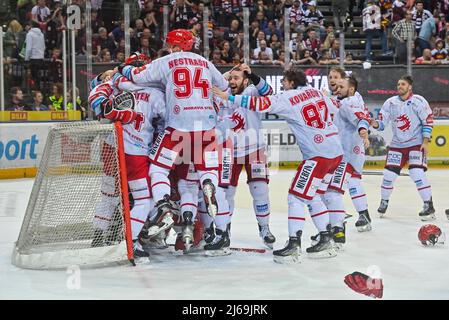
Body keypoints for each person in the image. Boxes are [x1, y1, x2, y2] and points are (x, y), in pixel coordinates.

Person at [118, 29, 232, 256]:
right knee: (206, 170)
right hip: (207, 128)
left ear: (174, 45)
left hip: (177, 128)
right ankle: (208, 184)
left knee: (158, 169)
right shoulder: (204, 62)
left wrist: (123, 69)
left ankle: (162, 205)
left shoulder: (167, 60)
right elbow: (224, 87)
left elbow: (138, 76)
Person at [214, 70, 344, 263]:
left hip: (317, 155)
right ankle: (326, 238)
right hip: (336, 152)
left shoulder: (287, 97)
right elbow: (336, 106)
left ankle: (294, 244)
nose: (282, 85)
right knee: (313, 195)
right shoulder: (317, 92)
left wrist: (228, 97)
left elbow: (260, 104)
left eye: (284, 82)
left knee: (296, 197)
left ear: (291, 83)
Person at [89, 53, 167, 257]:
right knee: (143, 196)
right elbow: (170, 121)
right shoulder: (155, 91)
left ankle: (101, 235)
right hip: (136, 151)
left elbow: (95, 95)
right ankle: (135, 238)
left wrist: (105, 83)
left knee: (111, 194)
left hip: (112, 146)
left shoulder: (117, 84)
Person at [214, 64, 276, 248]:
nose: (232, 81)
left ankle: (264, 228)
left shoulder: (251, 91)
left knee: (260, 190)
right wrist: (223, 77)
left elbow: (269, 91)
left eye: (237, 78)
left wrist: (253, 75)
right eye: (230, 78)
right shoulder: (219, 94)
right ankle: (224, 230)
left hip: (254, 150)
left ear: (245, 80)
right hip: (227, 152)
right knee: (226, 194)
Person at [370, 75, 435, 221]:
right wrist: (374, 123)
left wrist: (425, 142)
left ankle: (428, 204)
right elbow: (382, 123)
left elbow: (428, 121)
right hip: (397, 145)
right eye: (398, 84)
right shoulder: (390, 103)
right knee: (388, 175)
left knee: (417, 173)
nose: (400, 86)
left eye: (403, 84)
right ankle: (384, 201)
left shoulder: (419, 101)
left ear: (410, 87)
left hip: (416, 143)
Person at [334, 76, 372, 232]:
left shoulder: (348, 102)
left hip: (348, 148)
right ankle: (363, 215)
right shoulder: (356, 97)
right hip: (350, 147)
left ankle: (335, 221)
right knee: (353, 181)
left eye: (341, 86)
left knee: (334, 186)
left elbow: (361, 118)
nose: (337, 89)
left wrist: (363, 130)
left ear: (350, 89)